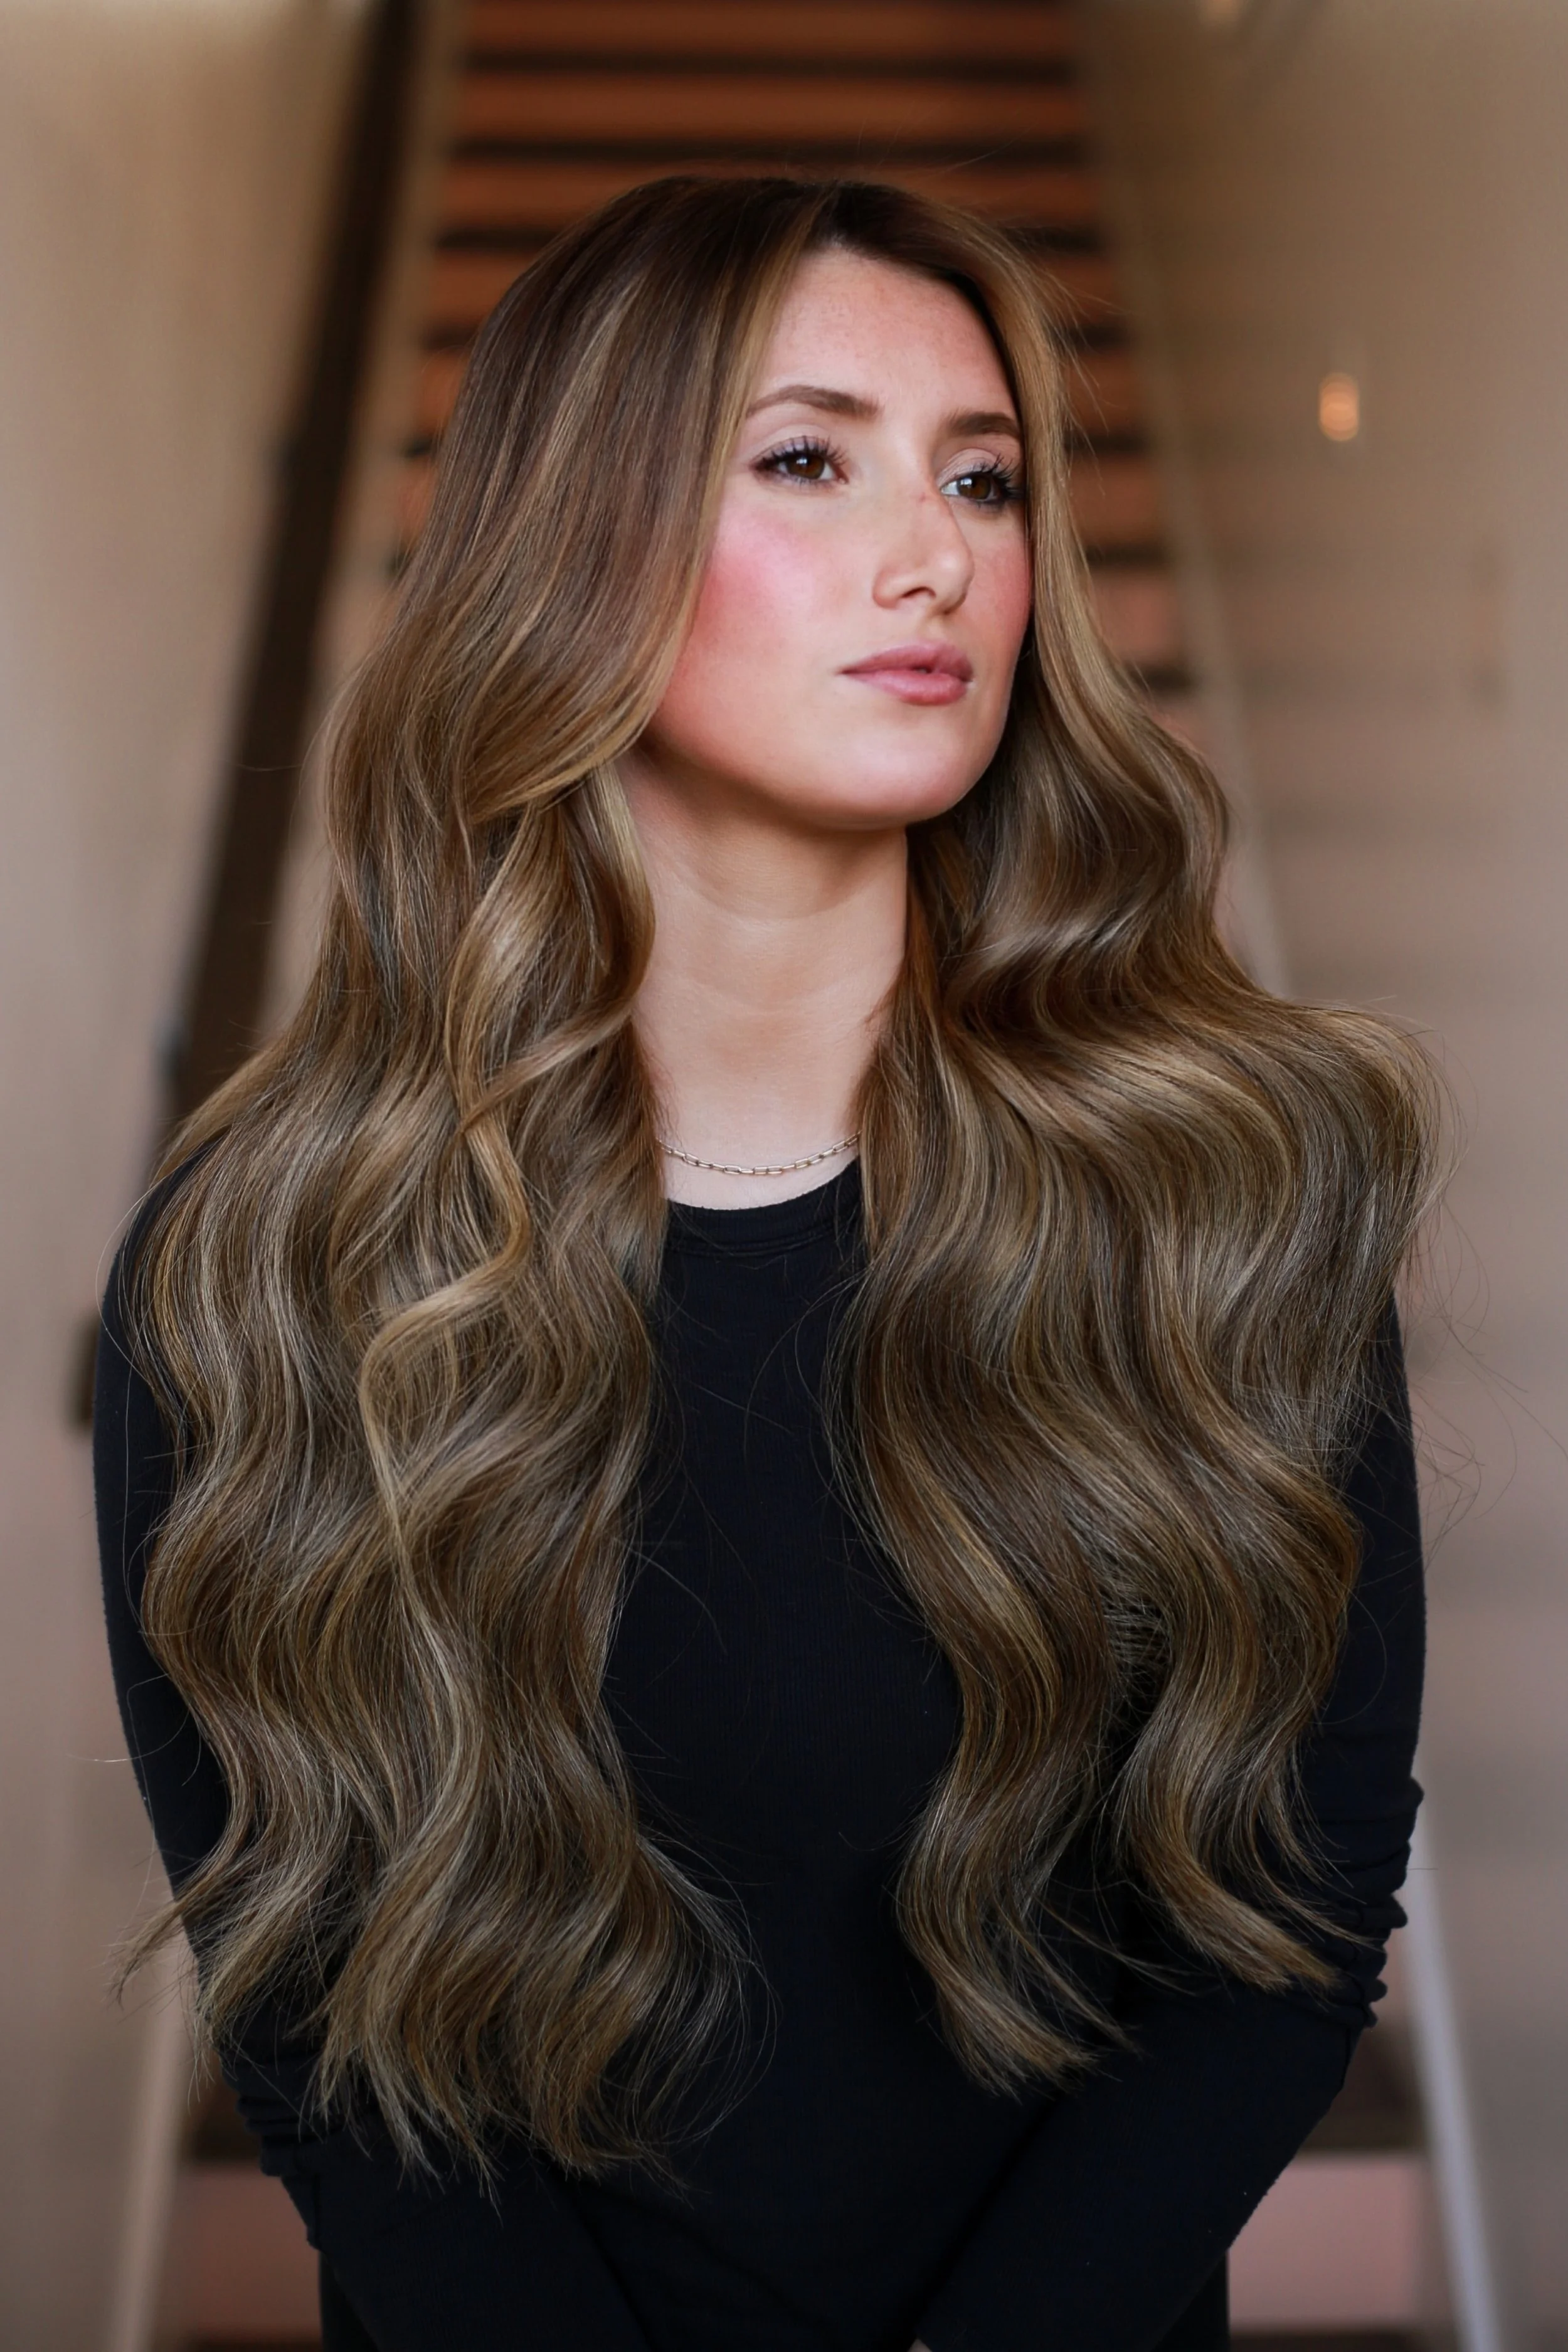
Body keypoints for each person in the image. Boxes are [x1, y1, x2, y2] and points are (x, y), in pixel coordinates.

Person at [95, 176, 1436, 2352]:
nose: (940, 557)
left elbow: (1291, 1906)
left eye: (983, 478)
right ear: (575, 540)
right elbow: (320, 2003)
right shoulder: (273, 1253)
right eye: (807, 457)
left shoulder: (1224, 1183)